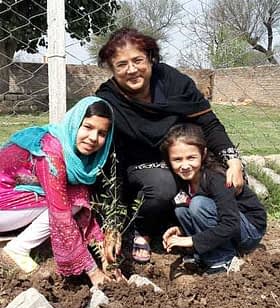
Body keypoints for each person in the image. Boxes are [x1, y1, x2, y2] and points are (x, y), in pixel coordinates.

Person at [96, 27, 245, 263]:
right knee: (163, 186)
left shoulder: (174, 82)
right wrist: (111, 222)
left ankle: (201, 228)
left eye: (138, 60)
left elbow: (208, 123)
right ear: (112, 69)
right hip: (138, 166)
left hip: (179, 158)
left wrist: (234, 160)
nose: (132, 70)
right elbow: (107, 158)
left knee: (220, 177)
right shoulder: (108, 100)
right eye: (121, 65)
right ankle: (141, 229)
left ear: (151, 59)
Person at [0, 96, 122, 287]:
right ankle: (17, 249)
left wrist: (103, 251)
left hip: (10, 203)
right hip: (3, 207)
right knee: (73, 200)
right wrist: (93, 272)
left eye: (102, 133)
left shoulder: (73, 154)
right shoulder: (50, 151)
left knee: (76, 192)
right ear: (74, 123)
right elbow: (60, 213)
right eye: (88, 127)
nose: (93, 138)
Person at [161, 124, 266, 274]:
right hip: (226, 228)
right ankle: (202, 254)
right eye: (177, 159)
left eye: (191, 157)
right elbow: (202, 216)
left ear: (203, 154)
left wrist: (190, 240)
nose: (184, 165)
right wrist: (181, 230)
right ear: (169, 160)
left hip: (248, 231)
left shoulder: (216, 178)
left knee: (198, 204)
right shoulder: (181, 180)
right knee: (181, 210)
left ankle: (222, 260)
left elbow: (230, 223)